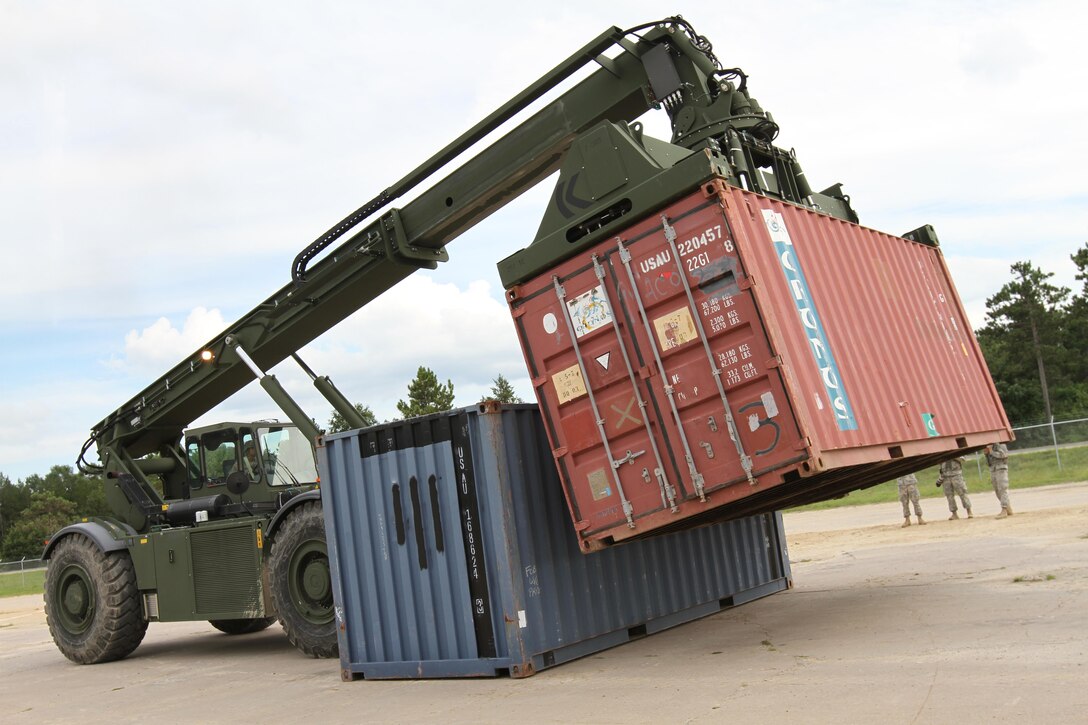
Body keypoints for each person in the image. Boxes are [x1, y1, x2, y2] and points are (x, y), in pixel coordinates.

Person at [935, 456, 972, 520]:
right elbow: (940, 466)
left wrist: (953, 456)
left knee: (963, 494)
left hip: (956, 475)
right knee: (949, 496)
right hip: (945, 477)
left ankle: (969, 512)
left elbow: (963, 459)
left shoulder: (956, 451)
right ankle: (954, 514)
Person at [986, 442, 1014, 519]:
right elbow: (989, 462)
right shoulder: (989, 446)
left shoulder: (1001, 445)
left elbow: (1004, 455)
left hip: (1001, 468)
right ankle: (1008, 508)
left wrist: (991, 452)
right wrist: (987, 454)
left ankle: (1004, 510)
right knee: (997, 490)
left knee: (1002, 488)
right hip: (993, 469)